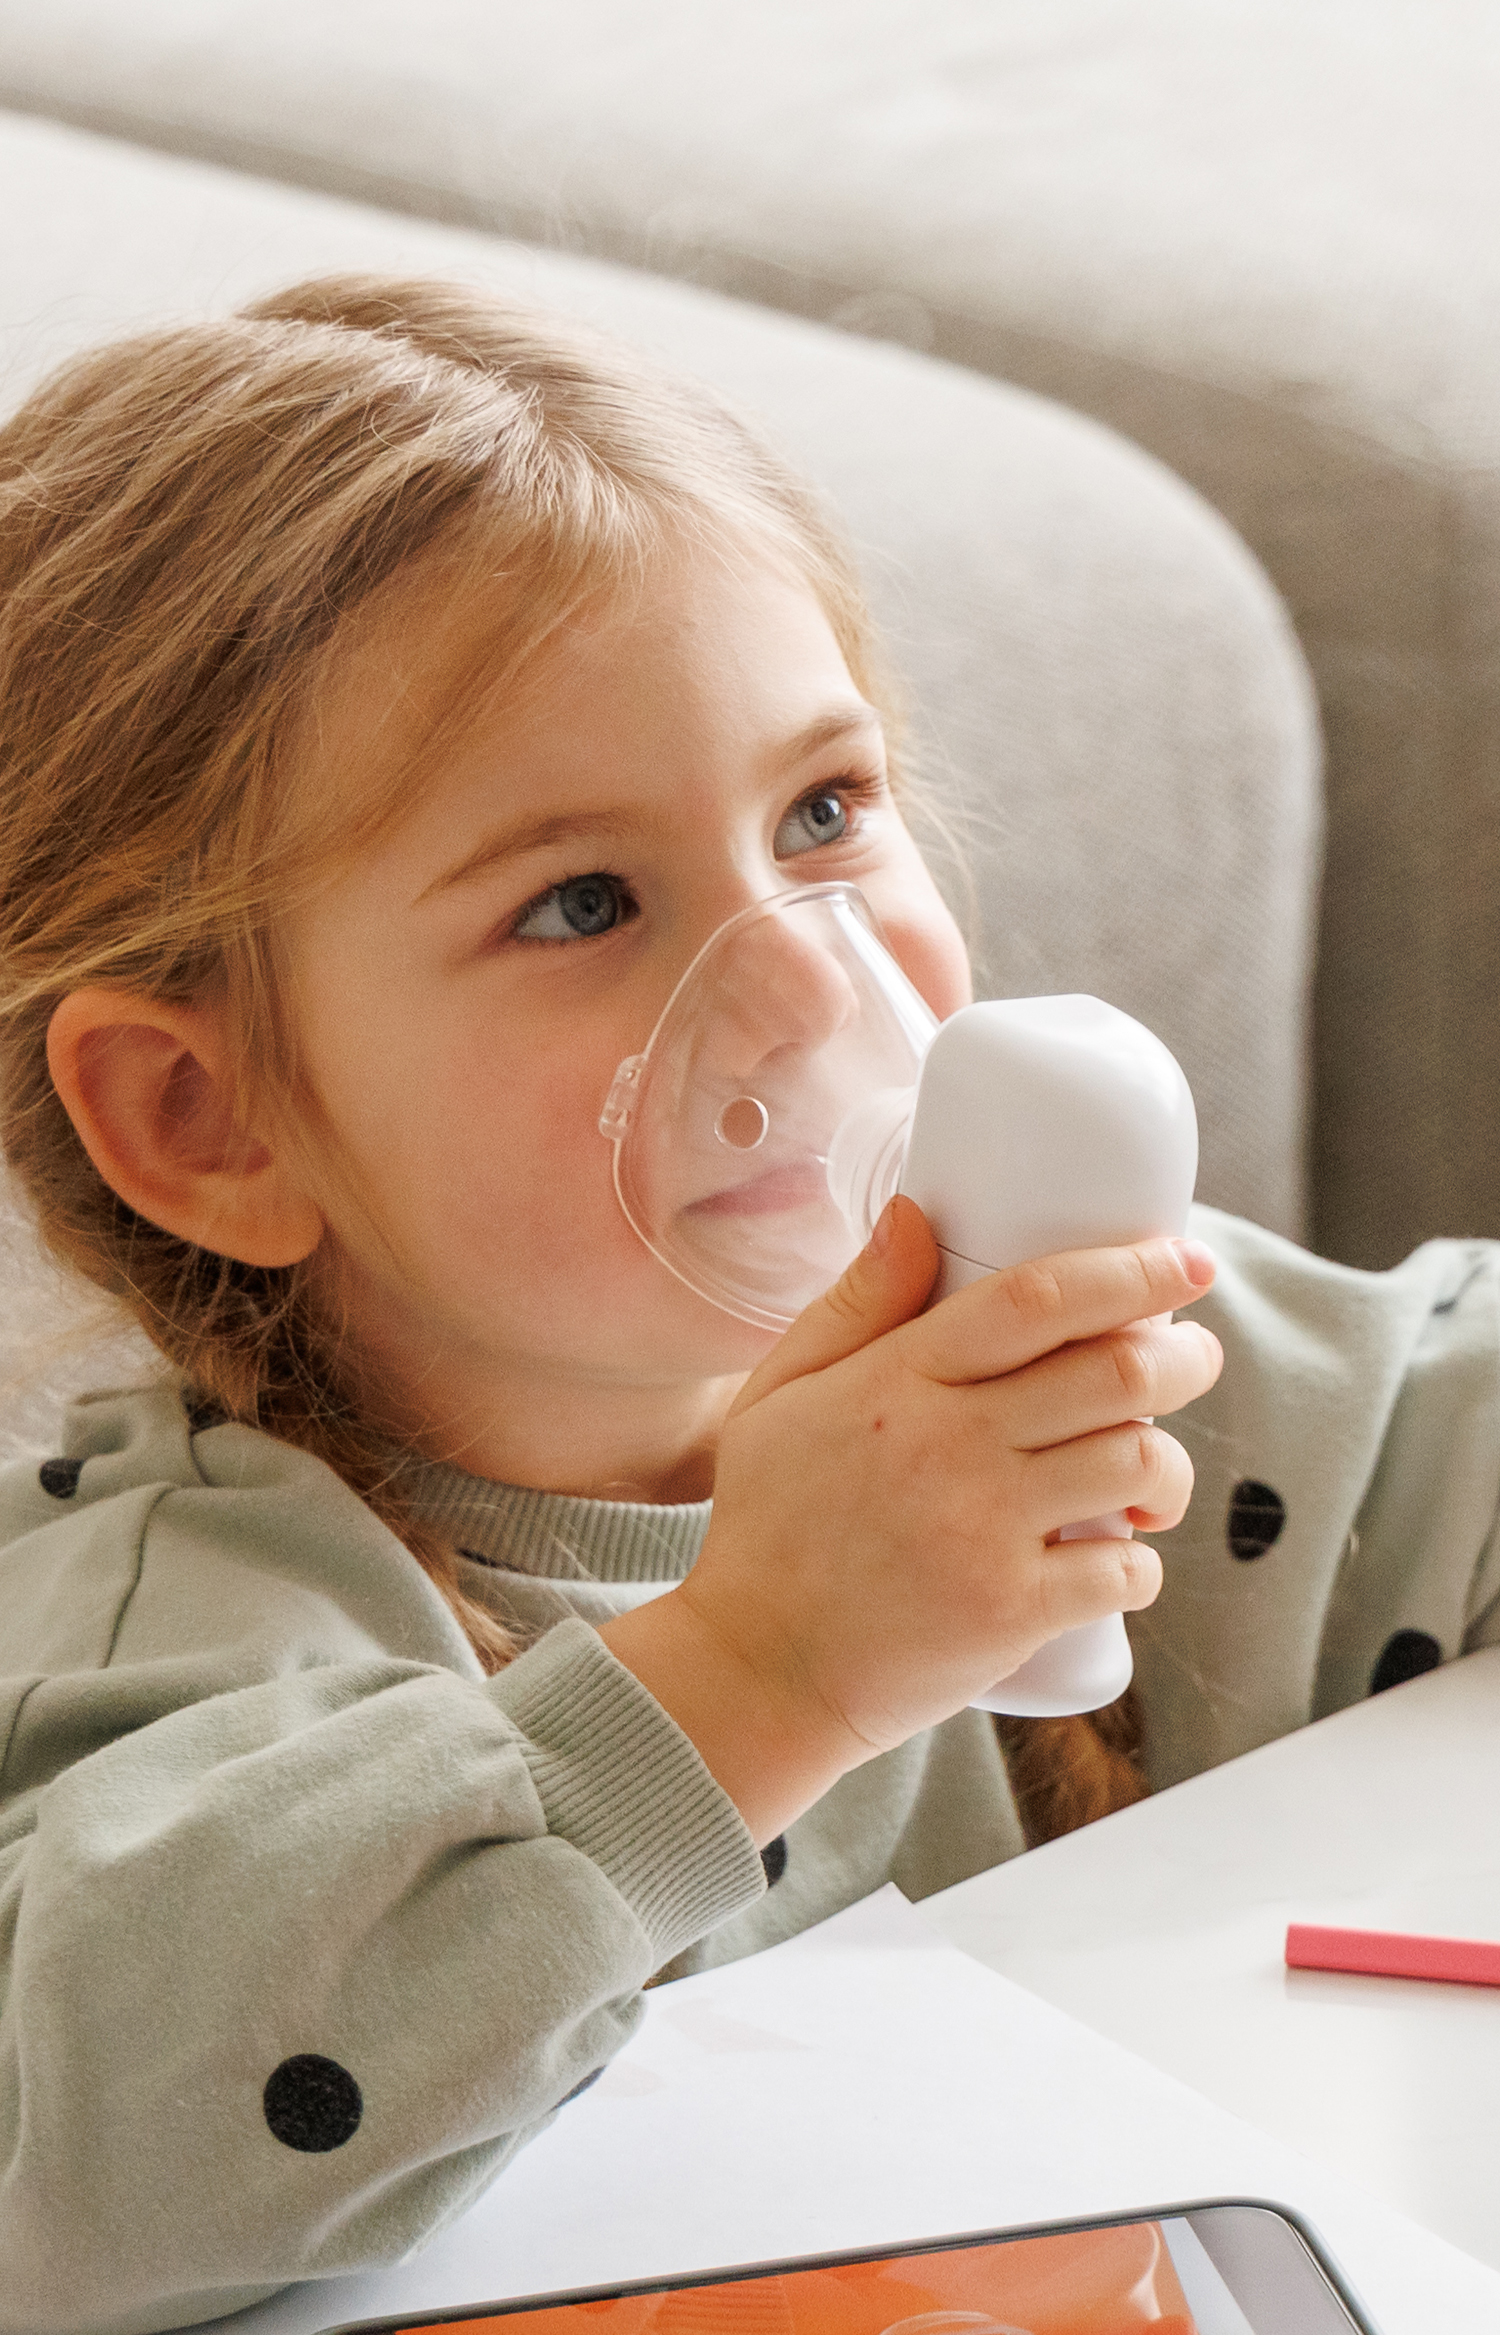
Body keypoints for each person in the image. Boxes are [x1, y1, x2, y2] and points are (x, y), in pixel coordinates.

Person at [0, 277, 1493, 2335]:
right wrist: (772, 1661)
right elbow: (104, 2160)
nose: (805, 987)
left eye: (823, 814)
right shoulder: (202, 1623)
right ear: (208, 1118)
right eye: (582, 903)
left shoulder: (1099, 1365)